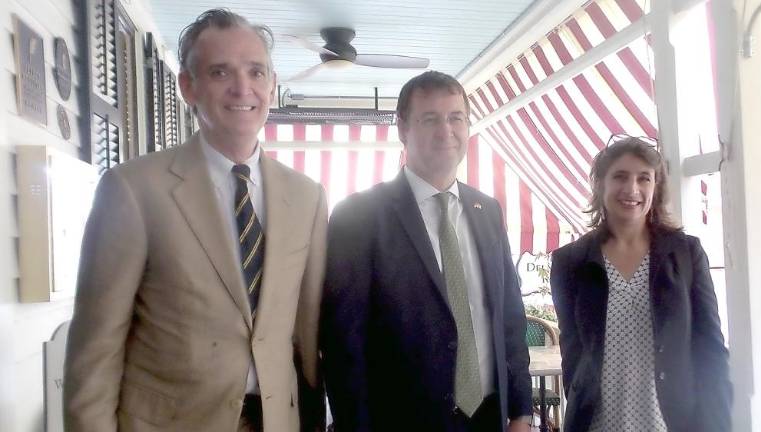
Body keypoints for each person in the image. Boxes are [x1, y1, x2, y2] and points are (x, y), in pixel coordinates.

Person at [63, 9, 327, 432]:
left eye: (257, 72)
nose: (243, 87)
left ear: (272, 86)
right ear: (188, 86)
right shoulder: (132, 190)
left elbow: (307, 332)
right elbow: (96, 349)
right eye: (220, 72)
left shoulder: (307, 196)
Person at [321, 71, 532, 432]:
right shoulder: (358, 216)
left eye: (455, 118)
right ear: (402, 128)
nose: (445, 131)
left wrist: (522, 412)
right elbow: (343, 345)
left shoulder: (488, 212)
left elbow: (510, 319)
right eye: (430, 119)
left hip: (487, 417)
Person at [550, 136, 732, 432]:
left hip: (672, 424)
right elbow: (572, 353)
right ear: (600, 184)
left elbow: (710, 348)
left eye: (643, 178)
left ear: (655, 187)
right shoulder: (570, 262)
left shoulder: (686, 254)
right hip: (598, 424)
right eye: (620, 176)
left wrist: (718, 422)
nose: (632, 189)